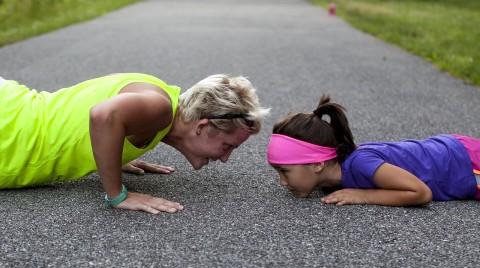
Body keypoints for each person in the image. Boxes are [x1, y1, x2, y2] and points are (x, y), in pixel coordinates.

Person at [0, 73, 269, 214]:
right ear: (202, 126)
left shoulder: (159, 97)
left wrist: (112, 152)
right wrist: (118, 195)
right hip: (8, 131)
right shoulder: (160, 108)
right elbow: (103, 115)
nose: (225, 158)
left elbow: (89, 107)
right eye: (228, 146)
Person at [267, 94, 480, 207]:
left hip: (467, 164)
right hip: (455, 151)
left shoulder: (360, 164)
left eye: (285, 171)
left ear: (317, 163)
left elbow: (421, 193)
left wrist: (364, 196)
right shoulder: (334, 176)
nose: (282, 182)